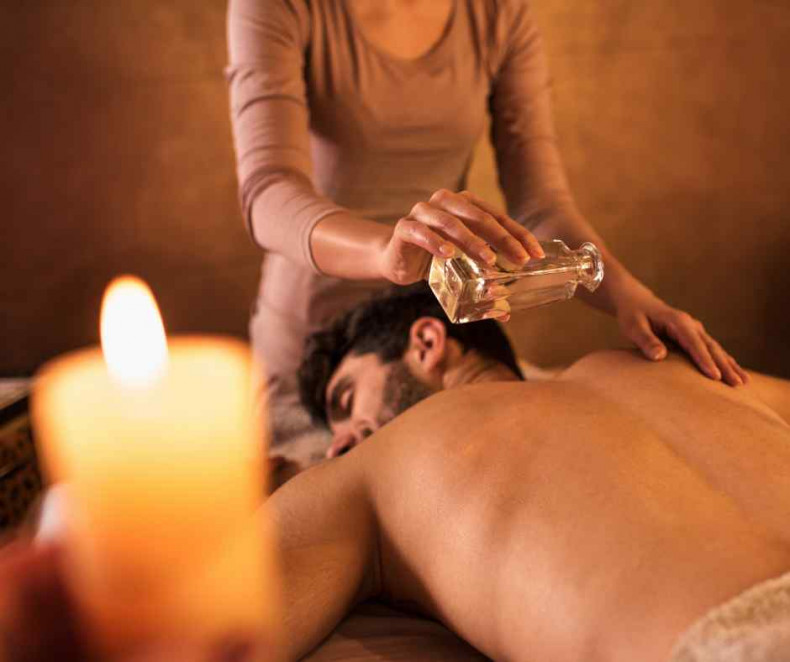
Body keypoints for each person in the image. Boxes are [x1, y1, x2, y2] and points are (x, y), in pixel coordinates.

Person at [5, 285, 790, 662]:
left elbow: (194, 633)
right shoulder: (674, 370)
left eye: (346, 401)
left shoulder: (386, 463)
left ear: (427, 341)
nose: (341, 442)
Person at [225, 0, 747, 438]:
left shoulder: (499, 13)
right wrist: (385, 253)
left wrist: (628, 294)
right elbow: (269, 191)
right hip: (323, 364)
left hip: (435, 342)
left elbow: (540, 205)